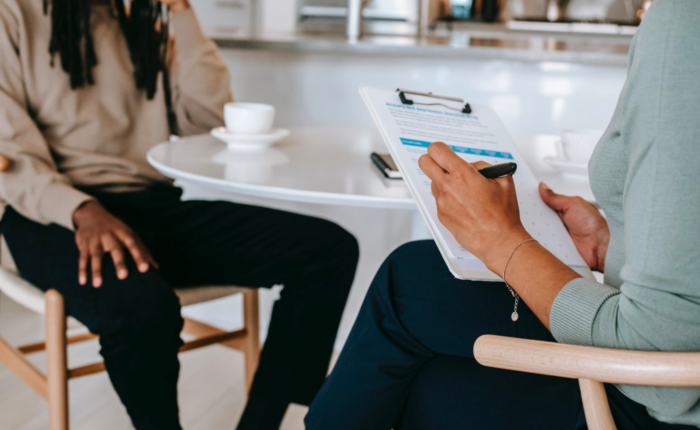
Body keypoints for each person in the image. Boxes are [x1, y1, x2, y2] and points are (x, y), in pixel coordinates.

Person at [305, 0, 700, 429]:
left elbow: (660, 360)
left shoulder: (683, 21)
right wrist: (613, 244)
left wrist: (502, 241)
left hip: (653, 408)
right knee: (415, 311)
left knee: (410, 283)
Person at [0, 1, 359, 429]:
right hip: (48, 212)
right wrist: (80, 210)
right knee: (143, 308)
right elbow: (10, 152)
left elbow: (207, 123)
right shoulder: (13, 13)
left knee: (327, 250)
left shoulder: (143, 22)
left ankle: (260, 423)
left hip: (151, 203)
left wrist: (183, 14)